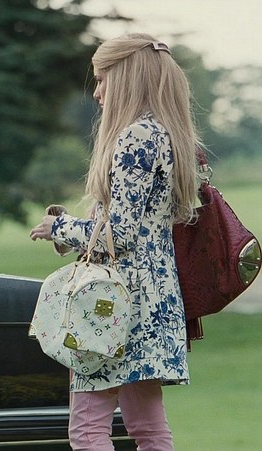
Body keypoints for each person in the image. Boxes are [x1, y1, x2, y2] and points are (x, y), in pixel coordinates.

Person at [29, 33, 200, 450]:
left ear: (126, 78)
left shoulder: (134, 137)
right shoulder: (166, 134)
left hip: (112, 305)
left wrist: (59, 228)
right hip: (154, 299)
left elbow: (119, 235)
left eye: (102, 79)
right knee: (148, 427)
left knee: (88, 429)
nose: (97, 91)